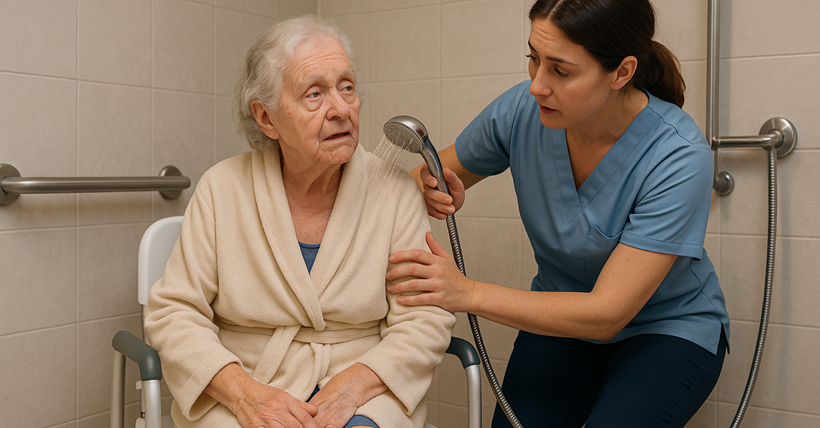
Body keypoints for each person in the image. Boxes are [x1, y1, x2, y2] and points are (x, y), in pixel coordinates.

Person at [385, 1, 730, 427]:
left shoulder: (678, 156)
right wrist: (433, 188)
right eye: (534, 59)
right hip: (559, 322)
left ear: (621, 72)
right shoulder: (521, 112)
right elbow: (429, 172)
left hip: (665, 329)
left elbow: (606, 314)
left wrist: (466, 293)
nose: (537, 86)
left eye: (561, 71)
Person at [145, 15, 455, 428]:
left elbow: (424, 319)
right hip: (249, 381)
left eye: (347, 87)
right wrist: (245, 395)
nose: (341, 109)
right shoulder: (222, 189)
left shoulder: (394, 191)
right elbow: (174, 315)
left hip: (361, 385)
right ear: (266, 118)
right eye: (314, 94)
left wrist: (355, 384)